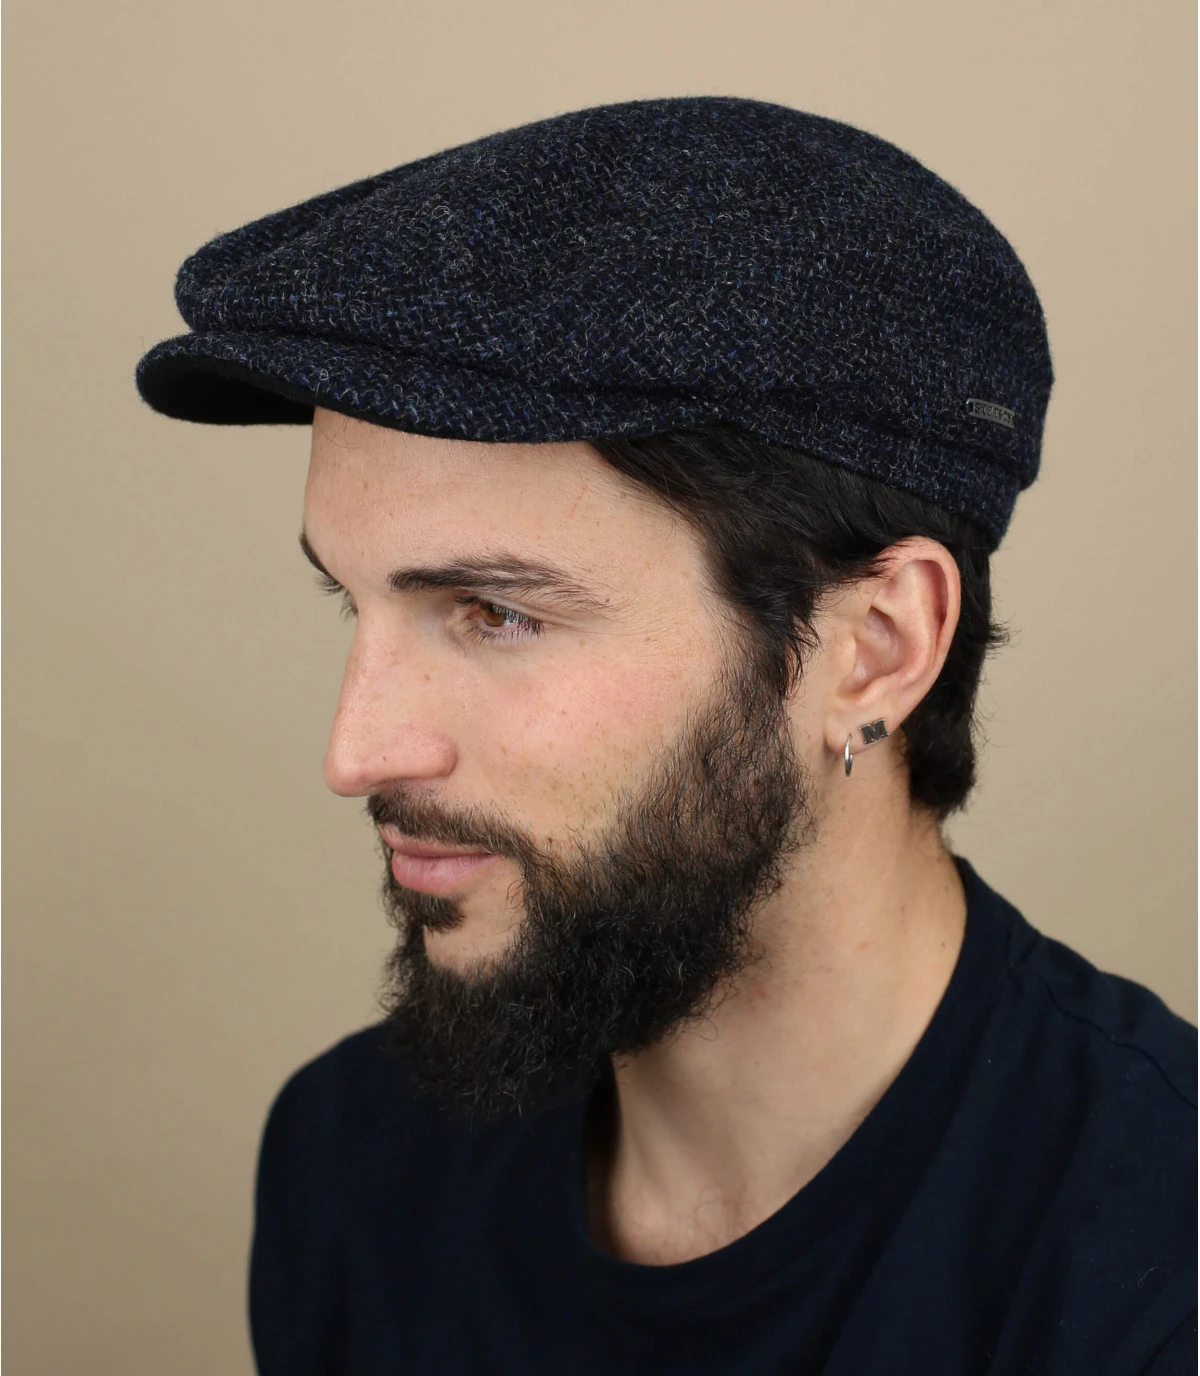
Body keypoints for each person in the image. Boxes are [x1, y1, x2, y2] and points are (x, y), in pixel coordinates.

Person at [135, 97, 1196, 1374]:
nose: (355, 751)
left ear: (877, 646)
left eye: (495, 613)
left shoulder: (1156, 1267)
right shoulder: (357, 1161)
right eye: (349, 603)